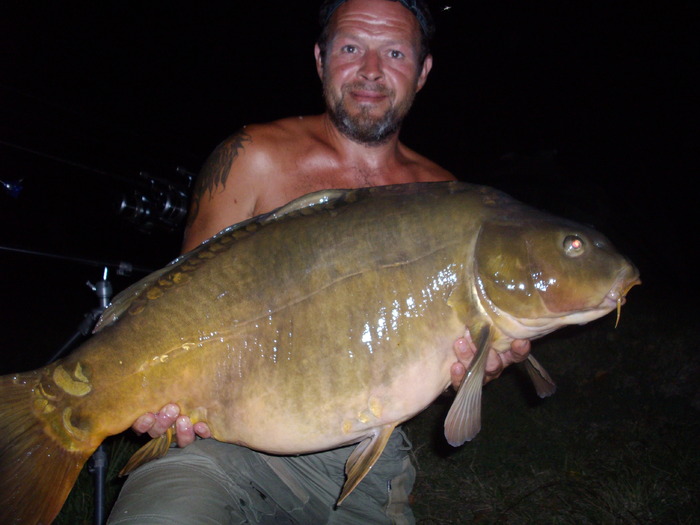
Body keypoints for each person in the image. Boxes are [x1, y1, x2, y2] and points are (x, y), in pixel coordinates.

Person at [108, 1, 530, 523]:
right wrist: (160, 397)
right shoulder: (251, 157)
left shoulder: (446, 198)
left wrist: (478, 365)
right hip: (222, 441)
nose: (371, 70)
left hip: (365, 455)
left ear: (422, 72)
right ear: (320, 59)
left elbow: (439, 355)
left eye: (394, 52)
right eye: (351, 48)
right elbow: (182, 312)